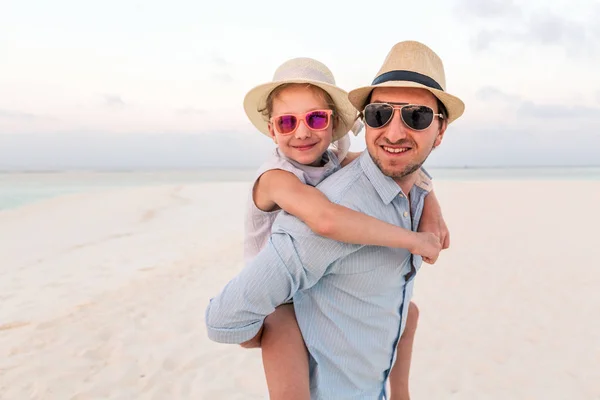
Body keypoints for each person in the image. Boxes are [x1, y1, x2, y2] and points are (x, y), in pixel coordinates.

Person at [206, 41, 464, 399]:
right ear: (271, 130)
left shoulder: (342, 162)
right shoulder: (284, 184)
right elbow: (325, 220)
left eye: (416, 117)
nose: (393, 132)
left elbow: (395, 161)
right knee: (283, 326)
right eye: (379, 115)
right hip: (281, 305)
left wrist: (429, 197)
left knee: (409, 312)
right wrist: (259, 332)